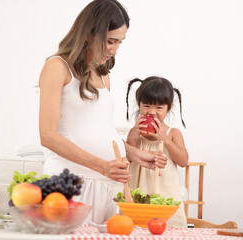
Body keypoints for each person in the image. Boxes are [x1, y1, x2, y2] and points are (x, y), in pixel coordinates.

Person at [38, 0, 167, 224]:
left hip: (106, 186)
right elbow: (48, 136)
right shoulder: (57, 67)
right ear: (89, 33)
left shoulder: (103, 74)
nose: (115, 50)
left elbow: (101, 131)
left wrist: (134, 154)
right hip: (70, 183)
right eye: (110, 41)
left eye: (120, 42)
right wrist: (102, 166)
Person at [125, 76, 189, 228]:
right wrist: (133, 137)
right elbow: (128, 158)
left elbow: (183, 161)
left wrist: (165, 139)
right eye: (146, 106)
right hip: (138, 197)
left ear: (169, 107)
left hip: (165, 198)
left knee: (168, 230)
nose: (152, 112)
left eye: (159, 108)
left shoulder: (173, 133)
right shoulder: (135, 133)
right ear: (139, 104)